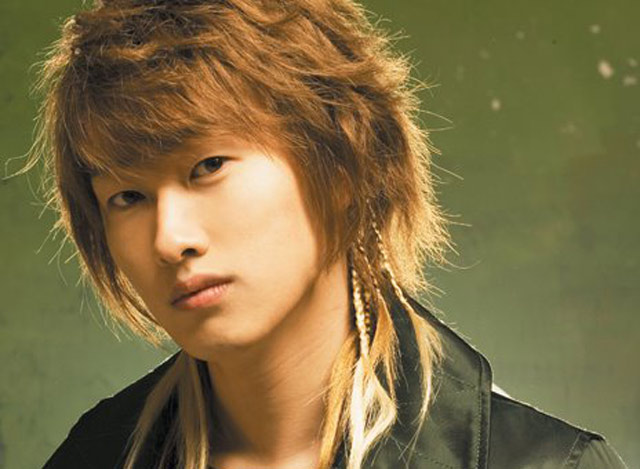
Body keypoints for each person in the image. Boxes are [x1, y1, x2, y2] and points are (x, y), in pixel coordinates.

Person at [31, 1, 628, 468]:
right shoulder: (91, 457)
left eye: (208, 166)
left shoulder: (545, 464)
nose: (169, 238)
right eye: (127, 197)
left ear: (342, 164)